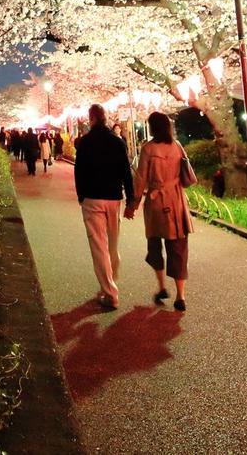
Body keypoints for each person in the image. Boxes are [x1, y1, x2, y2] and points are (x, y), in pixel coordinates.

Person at [127, 111, 193, 311]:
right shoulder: (177, 146)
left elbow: (140, 180)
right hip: (176, 201)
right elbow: (185, 174)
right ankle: (180, 295)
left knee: (155, 245)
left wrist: (133, 205)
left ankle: (162, 286)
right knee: (178, 248)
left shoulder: (148, 149)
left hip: (156, 202)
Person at [74, 104, 136, 310]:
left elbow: (79, 172)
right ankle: (110, 280)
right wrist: (131, 200)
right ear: (105, 118)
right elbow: (126, 172)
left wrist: (81, 196)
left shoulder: (84, 143)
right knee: (112, 245)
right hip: (113, 198)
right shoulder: (117, 142)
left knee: (99, 246)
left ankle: (110, 293)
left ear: (91, 119)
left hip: (92, 199)